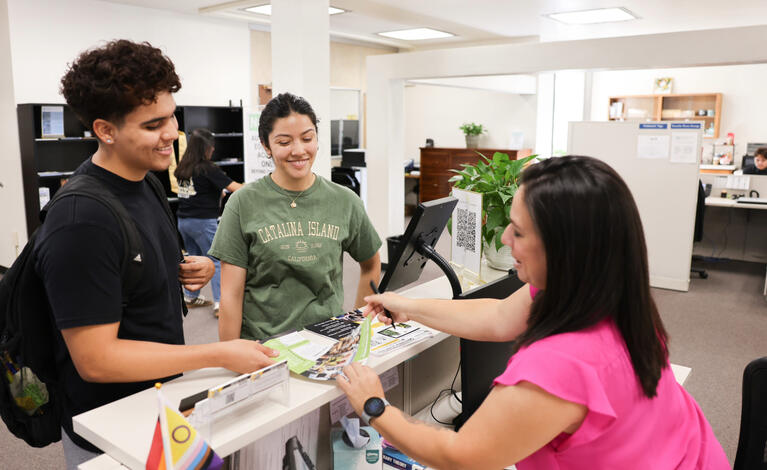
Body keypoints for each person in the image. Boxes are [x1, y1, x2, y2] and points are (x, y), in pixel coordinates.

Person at [337, 156, 729, 469]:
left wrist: (376, 407)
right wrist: (408, 305)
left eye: (519, 232)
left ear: (562, 248)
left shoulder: (560, 365)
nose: (506, 239)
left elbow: (461, 456)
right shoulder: (604, 291)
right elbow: (497, 318)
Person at [38, 39, 276, 469]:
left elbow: (135, 269)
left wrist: (189, 266)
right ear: (105, 130)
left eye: (172, 118)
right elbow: (96, 359)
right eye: (153, 125)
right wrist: (218, 353)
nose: (172, 134)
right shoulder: (81, 219)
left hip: (159, 403)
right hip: (108, 428)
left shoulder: (146, 181)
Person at [209, 92, 382, 341]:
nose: (299, 150)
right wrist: (231, 355)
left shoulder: (344, 200)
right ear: (266, 145)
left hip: (328, 343)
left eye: (307, 138)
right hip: (265, 348)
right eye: (284, 142)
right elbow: (231, 295)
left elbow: (371, 263)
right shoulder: (242, 203)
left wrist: (356, 327)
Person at [174, 128, 243, 313]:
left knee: (192, 261)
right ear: (206, 148)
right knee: (216, 261)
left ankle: (191, 297)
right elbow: (236, 188)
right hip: (203, 222)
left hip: (183, 221)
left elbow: (195, 190)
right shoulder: (208, 168)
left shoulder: (183, 167)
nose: (212, 151)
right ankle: (220, 303)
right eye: (211, 148)